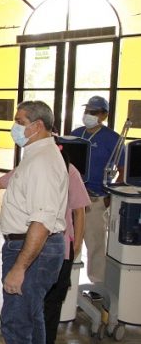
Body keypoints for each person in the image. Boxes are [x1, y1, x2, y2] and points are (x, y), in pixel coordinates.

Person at [0, 134, 88, 343]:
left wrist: (76, 245)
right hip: (29, 244)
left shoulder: (65, 170)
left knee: (33, 312)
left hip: (47, 246)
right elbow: (3, 181)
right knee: (33, 309)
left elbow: (77, 212)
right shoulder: (32, 164)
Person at [0, 100, 68, 343]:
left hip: (32, 250)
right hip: (32, 248)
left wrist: (19, 268)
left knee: (16, 323)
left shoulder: (43, 162)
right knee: (32, 314)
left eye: (20, 122)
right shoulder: (37, 154)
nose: (14, 127)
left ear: (38, 125)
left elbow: (42, 220)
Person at [70, 95, 123, 292]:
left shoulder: (112, 138)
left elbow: (123, 168)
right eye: (87, 111)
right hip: (72, 198)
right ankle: (67, 280)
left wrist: (111, 194)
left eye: (94, 112)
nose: (89, 115)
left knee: (96, 245)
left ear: (104, 115)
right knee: (69, 241)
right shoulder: (76, 133)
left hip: (95, 198)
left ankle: (97, 287)